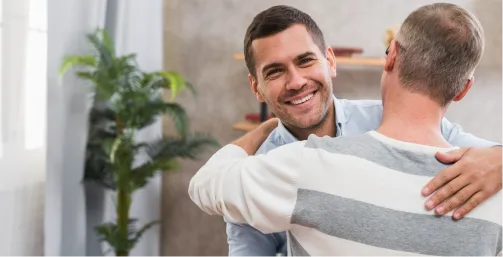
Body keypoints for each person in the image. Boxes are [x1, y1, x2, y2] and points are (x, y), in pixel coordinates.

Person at [205, 4, 503, 257]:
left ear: (330, 61)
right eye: (275, 71)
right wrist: (263, 132)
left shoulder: (390, 117)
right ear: (256, 88)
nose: (295, 82)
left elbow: (475, 149)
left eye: (305, 61)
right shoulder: (255, 173)